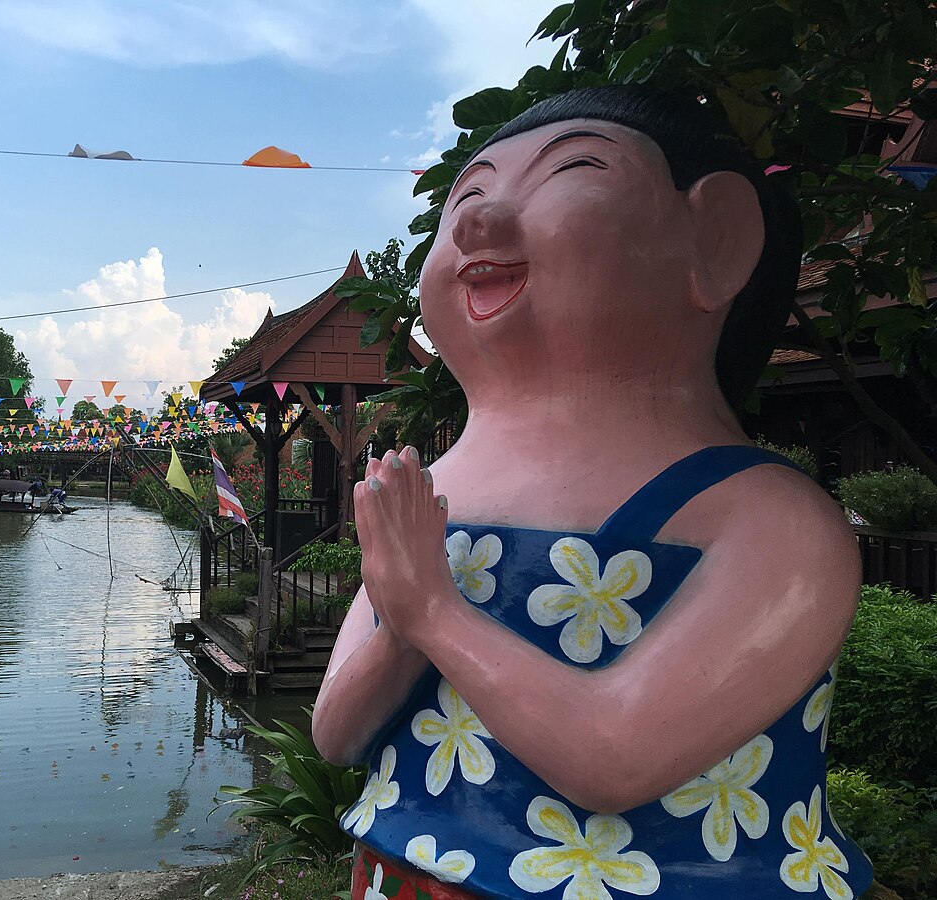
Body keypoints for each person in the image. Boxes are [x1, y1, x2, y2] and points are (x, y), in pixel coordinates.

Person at [313, 86, 870, 899]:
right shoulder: (428, 495)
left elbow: (616, 758)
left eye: (570, 170)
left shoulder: (768, 520)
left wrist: (430, 612)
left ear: (714, 241)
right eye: (466, 196)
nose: (476, 223)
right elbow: (336, 733)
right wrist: (399, 628)